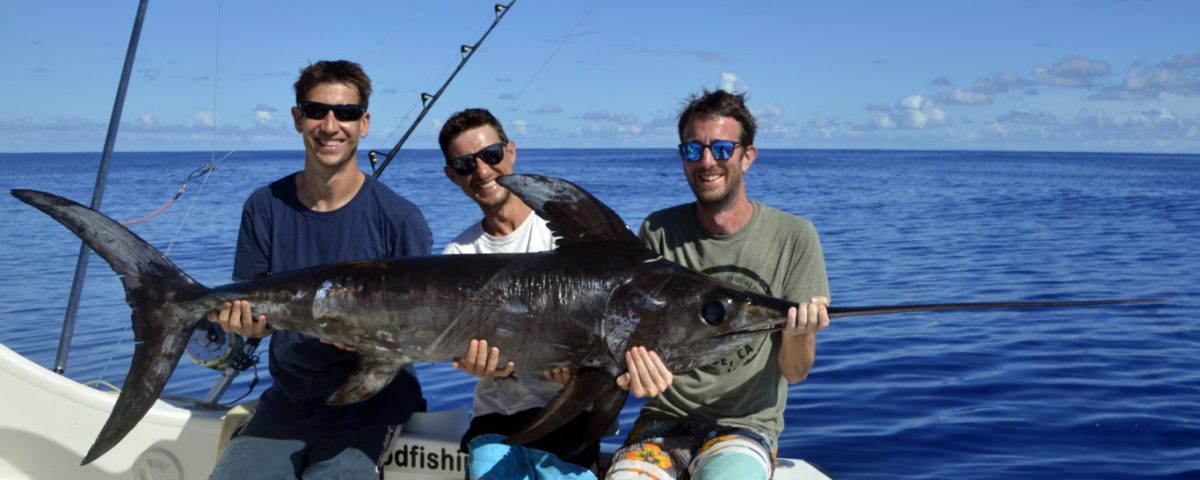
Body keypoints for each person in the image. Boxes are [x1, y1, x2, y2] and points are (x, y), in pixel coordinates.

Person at [208, 60, 432, 479]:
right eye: (317, 111)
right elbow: (250, 309)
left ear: (364, 123)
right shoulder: (264, 206)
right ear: (298, 118)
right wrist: (246, 327)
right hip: (288, 400)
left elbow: (418, 329)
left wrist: (370, 342)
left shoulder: (401, 219)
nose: (330, 125)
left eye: (345, 113)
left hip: (374, 399)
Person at [606, 90, 831, 480]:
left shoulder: (795, 236)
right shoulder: (658, 231)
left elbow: (794, 373)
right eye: (693, 150)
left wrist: (800, 333)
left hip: (743, 428)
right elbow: (634, 342)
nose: (707, 162)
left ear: (748, 156)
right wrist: (632, 373)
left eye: (722, 149)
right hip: (661, 425)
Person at [438, 108, 674, 480]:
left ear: (511, 151)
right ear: (452, 176)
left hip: (572, 422)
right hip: (495, 423)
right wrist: (468, 362)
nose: (482, 171)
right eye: (466, 164)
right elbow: (458, 348)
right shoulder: (458, 257)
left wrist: (583, 369)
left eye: (491, 155)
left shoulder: (580, 236)